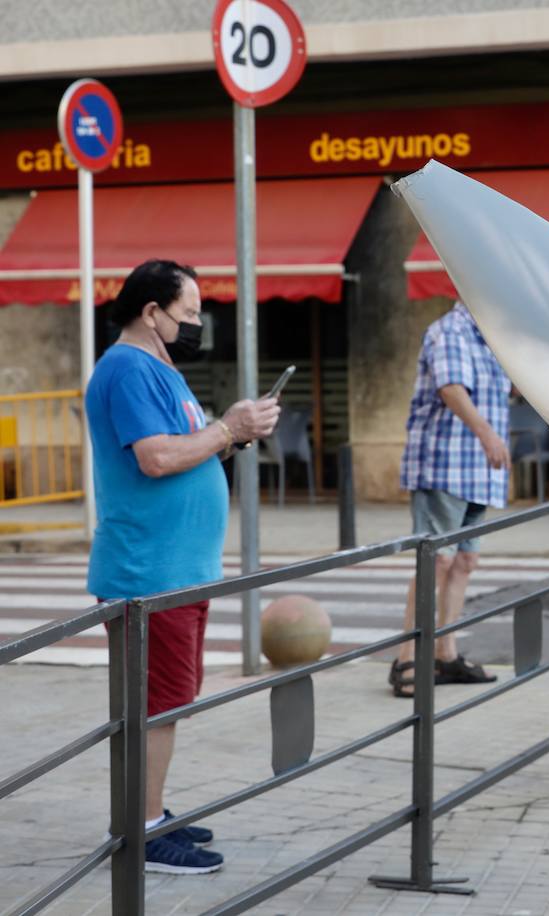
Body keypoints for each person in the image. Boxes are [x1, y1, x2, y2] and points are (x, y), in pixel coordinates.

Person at [87, 260, 279, 874]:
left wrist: (232, 435)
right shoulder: (127, 368)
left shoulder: (159, 369)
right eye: (188, 315)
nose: (196, 326)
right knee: (158, 703)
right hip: (150, 570)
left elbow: (189, 446)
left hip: (175, 566)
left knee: (169, 698)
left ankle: (151, 810)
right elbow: (156, 457)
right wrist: (228, 427)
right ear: (152, 312)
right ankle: (141, 831)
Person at [390, 300, 511, 698]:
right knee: (436, 561)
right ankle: (406, 658)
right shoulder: (451, 331)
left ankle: (446, 653)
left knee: (464, 561)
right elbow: (450, 387)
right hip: (445, 463)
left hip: (477, 470)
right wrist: (487, 434)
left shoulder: (492, 338)